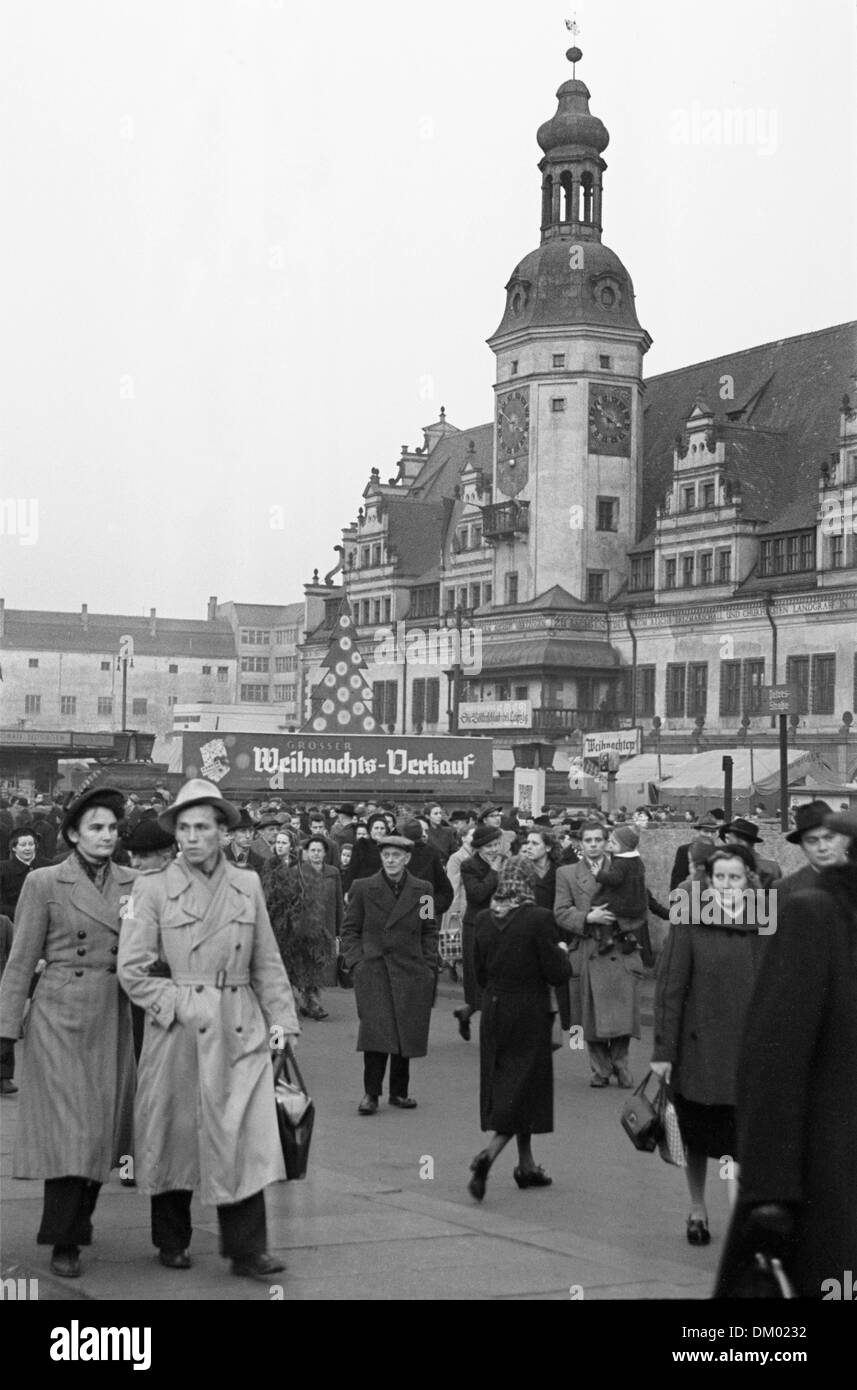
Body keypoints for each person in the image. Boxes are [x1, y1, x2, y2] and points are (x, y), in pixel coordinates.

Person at [118, 778, 300, 1282]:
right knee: (172, 1131)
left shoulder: (248, 885)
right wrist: (177, 1003)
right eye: (183, 828)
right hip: (178, 1026)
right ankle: (172, 1240)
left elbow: (267, 958)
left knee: (241, 1134)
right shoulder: (150, 889)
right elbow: (131, 969)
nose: (192, 837)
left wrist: (282, 1020)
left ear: (223, 832)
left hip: (239, 1023)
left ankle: (248, 1250)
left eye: (202, 827)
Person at [714, 807, 857, 1298]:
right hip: (831, 1187)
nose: (821, 846)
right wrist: (769, 1194)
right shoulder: (811, 911)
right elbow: (774, 1061)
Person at [0, 786, 136, 1278]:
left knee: (101, 1130)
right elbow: (20, 961)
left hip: (111, 1015)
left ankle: (80, 1220)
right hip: (58, 1015)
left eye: (112, 828)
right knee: (69, 1131)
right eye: (95, 827)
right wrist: (5, 1028)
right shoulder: (44, 882)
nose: (105, 835)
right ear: (74, 833)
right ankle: (63, 1238)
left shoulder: (133, 883)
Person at [652, 844, 767, 1246]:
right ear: (708, 880)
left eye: (735, 877)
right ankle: (697, 1207)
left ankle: (741, 1218)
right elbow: (670, 988)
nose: (727, 885)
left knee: (743, 1140)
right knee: (697, 1136)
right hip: (698, 1051)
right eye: (719, 877)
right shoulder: (689, 918)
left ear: (750, 879)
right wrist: (663, 1052)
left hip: (750, 1053)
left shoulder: (767, 921)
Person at [467, 861, 573, 1201]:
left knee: (508, 1086)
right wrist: (562, 952)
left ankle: (526, 1165)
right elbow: (557, 973)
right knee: (525, 1086)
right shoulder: (538, 918)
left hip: (495, 1008)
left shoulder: (484, 919)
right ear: (528, 883)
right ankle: (489, 1154)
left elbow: (479, 972)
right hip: (529, 1010)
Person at [340, 834, 438, 1115]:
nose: (391, 860)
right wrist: (357, 962)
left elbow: (429, 928)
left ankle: (399, 1092)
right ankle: (371, 1093)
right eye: (387, 855)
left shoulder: (424, 890)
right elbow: (349, 930)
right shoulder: (362, 887)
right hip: (374, 970)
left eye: (397, 856)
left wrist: (428, 965)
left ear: (407, 858)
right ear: (381, 858)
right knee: (375, 1032)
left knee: (404, 1031)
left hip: (411, 970)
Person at [554, 820, 642, 1088]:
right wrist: (588, 917)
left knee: (622, 1013)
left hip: (618, 946)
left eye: (598, 840)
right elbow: (560, 912)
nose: (593, 845)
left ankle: (621, 1063)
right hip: (588, 947)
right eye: (588, 840)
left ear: (607, 842)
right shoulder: (567, 873)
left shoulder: (623, 868)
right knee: (587, 1016)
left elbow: (641, 906)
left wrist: (618, 920)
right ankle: (600, 1068)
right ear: (580, 843)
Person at [262, 833, 343, 1021]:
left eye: (283, 843)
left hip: (314, 923)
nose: (279, 846)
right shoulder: (284, 868)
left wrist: (339, 930)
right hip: (291, 923)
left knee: (312, 963)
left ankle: (312, 1002)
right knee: (291, 963)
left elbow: (335, 901)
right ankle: (294, 1001)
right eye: (277, 842)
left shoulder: (320, 870)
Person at [455, 825, 507, 1041]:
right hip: (476, 927)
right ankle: (485, 1026)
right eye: (489, 846)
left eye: (496, 845)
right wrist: (494, 871)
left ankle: (468, 1013)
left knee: (497, 977)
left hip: (501, 924)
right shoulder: (469, 865)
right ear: (479, 848)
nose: (494, 850)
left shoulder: (506, 861)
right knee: (479, 978)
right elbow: (477, 895)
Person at [770, 800, 850, 909]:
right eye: (812, 841)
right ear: (802, 847)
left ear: (843, 838)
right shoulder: (784, 888)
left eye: (829, 837)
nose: (823, 847)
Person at [0, 828, 52, 918]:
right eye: (23, 845)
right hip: (15, 921)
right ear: (14, 848)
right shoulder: (3, 869)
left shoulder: (48, 865)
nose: (28, 848)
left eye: (31, 844)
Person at [719, 817, 781, 887]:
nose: (727, 844)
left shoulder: (722, 866)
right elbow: (774, 897)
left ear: (742, 842)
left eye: (729, 839)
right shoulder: (772, 867)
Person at [669, 814, 720, 892]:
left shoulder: (719, 852)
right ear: (698, 831)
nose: (709, 835)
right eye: (706, 831)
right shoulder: (684, 850)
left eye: (713, 832)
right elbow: (677, 879)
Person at [341, 811, 389, 891]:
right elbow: (352, 869)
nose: (379, 831)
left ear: (386, 831)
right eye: (376, 828)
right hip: (363, 888)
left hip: (384, 888)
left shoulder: (389, 846)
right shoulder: (361, 845)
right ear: (370, 830)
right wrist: (347, 890)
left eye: (382, 828)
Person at [224, 809, 268, 874]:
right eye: (243, 831)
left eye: (251, 831)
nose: (248, 836)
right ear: (231, 834)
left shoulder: (262, 863)